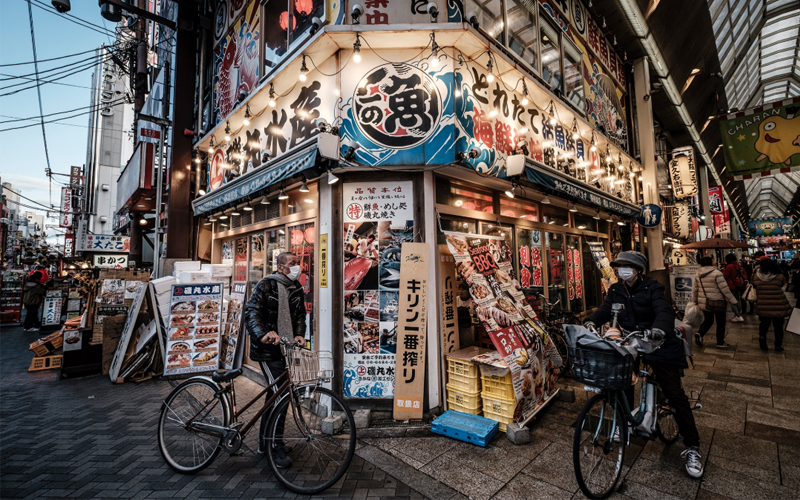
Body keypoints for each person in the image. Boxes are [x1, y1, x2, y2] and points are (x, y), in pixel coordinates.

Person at [584, 251, 703, 479]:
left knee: (673, 393)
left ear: (638, 269)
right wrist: (591, 320)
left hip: (658, 343)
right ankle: (625, 422)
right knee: (622, 382)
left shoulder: (653, 288)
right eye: (619, 266)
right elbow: (605, 309)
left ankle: (693, 447)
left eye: (627, 266)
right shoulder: (616, 289)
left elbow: (663, 311)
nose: (621, 270)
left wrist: (659, 330)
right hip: (630, 342)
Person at [244, 251, 307, 468]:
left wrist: (300, 333)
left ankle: (265, 442)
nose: (297, 267)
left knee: (275, 394)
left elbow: (300, 315)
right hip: (267, 349)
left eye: (298, 263)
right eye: (292, 264)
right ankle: (275, 445)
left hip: (286, 348)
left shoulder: (296, 287)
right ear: (280, 267)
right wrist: (263, 333)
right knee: (281, 393)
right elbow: (251, 311)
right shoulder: (266, 285)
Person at [693, 256, 736, 348]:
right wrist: (733, 300)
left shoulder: (698, 274)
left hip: (704, 302)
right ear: (711, 262)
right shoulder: (717, 273)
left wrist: (695, 300)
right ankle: (720, 342)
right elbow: (724, 289)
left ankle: (700, 333)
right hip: (718, 302)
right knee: (721, 322)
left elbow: (695, 289)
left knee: (708, 320)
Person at [752, 258, 791, 352]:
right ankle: (778, 344)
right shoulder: (779, 276)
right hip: (778, 304)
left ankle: (762, 337)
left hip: (763, 303)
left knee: (764, 323)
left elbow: (754, 286)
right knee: (778, 326)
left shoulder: (755, 276)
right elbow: (782, 285)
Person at [722, 253, 746, 323]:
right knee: (738, 300)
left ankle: (738, 316)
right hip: (738, 285)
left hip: (731, 285)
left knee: (731, 301)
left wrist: (723, 270)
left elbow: (725, 275)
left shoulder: (729, 266)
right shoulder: (737, 265)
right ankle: (738, 315)